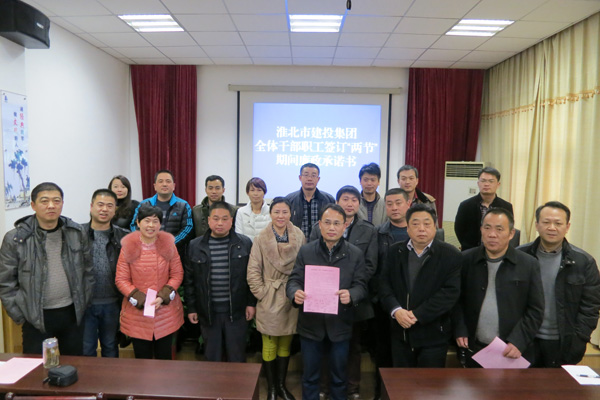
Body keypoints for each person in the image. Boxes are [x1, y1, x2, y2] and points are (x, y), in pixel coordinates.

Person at [0, 182, 93, 355]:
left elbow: (88, 271)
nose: (51, 205)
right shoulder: (16, 238)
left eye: (56, 201)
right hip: (35, 318)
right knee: (36, 367)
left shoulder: (76, 232)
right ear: (33, 205)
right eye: (44, 201)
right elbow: (6, 283)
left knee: (74, 364)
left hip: (72, 314)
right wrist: (21, 316)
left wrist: (84, 302)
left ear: (62, 204)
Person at [286, 204, 368, 400]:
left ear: (345, 226)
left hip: (340, 324)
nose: (332, 227)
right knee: (310, 376)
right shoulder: (306, 251)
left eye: (337, 223)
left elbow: (362, 285)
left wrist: (352, 295)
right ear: (320, 224)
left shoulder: (355, 253)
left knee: (339, 377)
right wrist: (295, 293)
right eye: (328, 222)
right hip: (311, 324)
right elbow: (294, 280)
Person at [309, 186, 377, 400]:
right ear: (337, 202)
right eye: (345, 199)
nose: (349, 203)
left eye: (354, 200)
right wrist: (326, 288)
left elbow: (370, 265)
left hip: (352, 300)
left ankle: (352, 387)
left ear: (359, 204)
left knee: (352, 346)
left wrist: (350, 289)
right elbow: (313, 260)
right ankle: (324, 386)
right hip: (323, 299)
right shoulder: (318, 227)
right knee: (324, 345)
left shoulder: (368, 230)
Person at [454, 208, 544, 366]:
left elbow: (535, 309)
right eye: (487, 228)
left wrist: (519, 341)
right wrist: (460, 329)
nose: (492, 234)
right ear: (481, 230)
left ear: (511, 233)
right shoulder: (465, 260)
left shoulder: (528, 264)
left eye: (499, 229)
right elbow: (456, 300)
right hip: (473, 347)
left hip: (512, 350)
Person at [518, 201, 600, 367]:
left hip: (564, 343)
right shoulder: (520, 256)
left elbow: (590, 307)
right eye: (546, 222)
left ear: (567, 227)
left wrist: (579, 339)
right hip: (524, 340)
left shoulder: (584, 262)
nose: (552, 228)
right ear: (537, 225)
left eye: (558, 223)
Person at [379, 204, 461, 368]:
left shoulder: (451, 254)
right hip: (400, 332)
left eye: (427, 223)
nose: (421, 229)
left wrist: (417, 315)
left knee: (429, 383)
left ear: (435, 227)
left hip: (434, 335)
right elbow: (384, 285)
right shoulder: (395, 252)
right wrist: (396, 310)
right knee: (401, 381)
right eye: (415, 224)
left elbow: (450, 293)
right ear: (408, 228)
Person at [247, 197, 306, 400]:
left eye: (284, 212)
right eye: (276, 212)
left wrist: (298, 290)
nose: (281, 216)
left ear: (291, 213)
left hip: (291, 295)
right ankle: (272, 388)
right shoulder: (261, 238)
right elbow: (253, 270)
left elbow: (304, 266)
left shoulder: (299, 235)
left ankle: (281, 386)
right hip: (270, 296)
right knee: (269, 343)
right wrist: (262, 293)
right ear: (270, 214)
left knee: (285, 343)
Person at [185, 202, 256, 362]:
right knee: (212, 358)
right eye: (216, 218)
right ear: (209, 220)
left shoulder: (244, 243)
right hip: (208, 311)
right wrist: (192, 308)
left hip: (237, 311)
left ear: (231, 221)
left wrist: (251, 303)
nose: (220, 223)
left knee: (237, 357)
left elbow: (252, 277)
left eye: (224, 219)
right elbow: (190, 280)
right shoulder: (195, 245)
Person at [116, 205, 184, 359]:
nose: (151, 225)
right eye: (147, 221)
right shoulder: (128, 247)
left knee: (164, 359)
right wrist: (140, 298)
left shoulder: (169, 245)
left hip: (165, 312)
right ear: (138, 223)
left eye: (155, 221)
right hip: (138, 313)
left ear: (160, 224)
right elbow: (121, 279)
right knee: (142, 361)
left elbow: (177, 274)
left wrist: (162, 297)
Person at [82, 189, 129, 358]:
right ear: (91, 207)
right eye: (100, 204)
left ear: (115, 210)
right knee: (86, 348)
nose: (104, 209)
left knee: (110, 347)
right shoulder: (77, 234)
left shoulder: (124, 237)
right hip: (85, 303)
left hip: (112, 302)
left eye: (110, 206)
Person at [130, 169, 193, 255]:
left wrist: (170, 244)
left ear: (174, 186)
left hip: (174, 253)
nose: (164, 184)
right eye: (160, 181)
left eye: (168, 181)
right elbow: (134, 226)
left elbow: (188, 228)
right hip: (147, 253)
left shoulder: (183, 205)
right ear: (155, 186)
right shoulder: (143, 204)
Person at [454, 167, 513, 251]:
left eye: (491, 181)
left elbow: (508, 229)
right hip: (471, 251)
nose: (486, 184)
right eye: (483, 181)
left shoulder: (506, 206)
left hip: (498, 250)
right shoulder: (466, 205)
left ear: (498, 184)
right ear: (478, 183)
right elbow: (459, 229)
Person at [285, 163, 335, 238]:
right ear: (300, 178)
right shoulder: (289, 199)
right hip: (297, 242)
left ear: (318, 179)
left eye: (313, 175)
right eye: (306, 175)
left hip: (321, 242)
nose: (309, 179)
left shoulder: (328, 200)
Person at [235, 177, 271, 242]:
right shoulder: (241, 212)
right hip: (246, 247)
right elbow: (238, 235)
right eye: (252, 190)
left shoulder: (270, 211)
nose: (255, 193)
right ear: (247, 193)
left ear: (264, 192)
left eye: (259, 190)